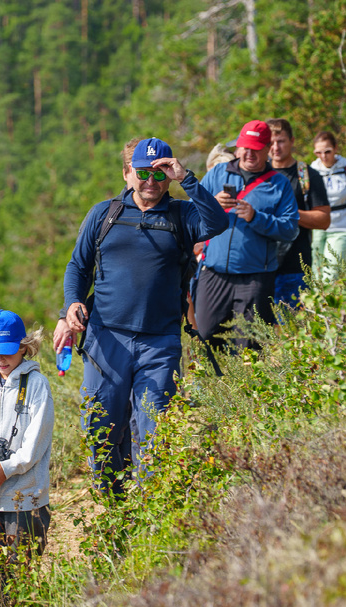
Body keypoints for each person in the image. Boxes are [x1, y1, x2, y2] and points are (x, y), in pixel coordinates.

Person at [54, 136, 228, 492]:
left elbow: (218, 224)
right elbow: (78, 266)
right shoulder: (104, 214)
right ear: (127, 173)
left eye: (161, 172)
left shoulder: (182, 215)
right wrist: (70, 304)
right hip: (105, 339)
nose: (152, 181)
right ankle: (113, 508)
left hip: (159, 343)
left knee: (156, 431)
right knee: (100, 428)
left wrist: (186, 178)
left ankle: (151, 512)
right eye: (144, 171)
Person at [0, 310, 54, 596]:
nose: (0, 360)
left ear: (23, 347)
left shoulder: (38, 385)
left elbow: (35, 444)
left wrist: (9, 468)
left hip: (25, 501)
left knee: (19, 580)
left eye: (7, 352)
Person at [196, 120, 299, 350]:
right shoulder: (217, 173)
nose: (249, 153)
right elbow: (193, 213)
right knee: (205, 337)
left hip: (255, 278)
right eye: (245, 146)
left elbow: (290, 229)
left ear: (267, 148)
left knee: (249, 347)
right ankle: (211, 386)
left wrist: (256, 217)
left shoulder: (279, 184)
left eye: (256, 147)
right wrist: (213, 204)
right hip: (214, 274)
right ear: (238, 147)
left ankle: (246, 387)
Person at [267, 118, 330, 305]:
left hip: (295, 268)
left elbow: (324, 220)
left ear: (292, 141)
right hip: (259, 267)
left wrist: (290, 213)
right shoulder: (257, 174)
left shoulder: (308, 175)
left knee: (292, 331)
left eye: (281, 141)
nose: (275, 147)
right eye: (270, 142)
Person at [310, 131, 346, 282]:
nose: (323, 156)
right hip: (317, 229)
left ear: (335, 149)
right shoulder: (311, 171)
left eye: (327, 151)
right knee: (316, 277)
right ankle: (320, 306)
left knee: (330, 275)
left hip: (341, 228)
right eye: (318, 152)